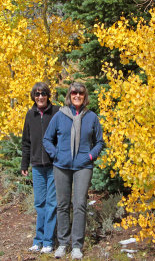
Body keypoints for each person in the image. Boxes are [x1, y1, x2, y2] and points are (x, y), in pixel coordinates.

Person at [43, 82, 104, 259]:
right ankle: (62, 243)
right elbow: (47, 139)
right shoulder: (60, 116)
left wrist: (90, 156)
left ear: (85, 96)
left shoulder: (91, 117)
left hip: (83, 166)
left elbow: (99, 142)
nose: (77, 95)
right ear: (69, 95)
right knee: (62, 205)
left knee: (79, 205)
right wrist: (56, 155)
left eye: (81, 93)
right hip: (61, 166)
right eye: (74, 93)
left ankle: (77, 245)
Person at [21, 82, 60, 254]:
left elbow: (63, 136)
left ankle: (48, 241)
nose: (40, 97)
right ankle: (38, 239)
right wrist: (24, 164)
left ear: (48, 95)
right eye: (37, 94)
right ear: (33, 97)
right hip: (37, 166)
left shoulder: (57, 112)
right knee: (39, 203)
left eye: (43, 93)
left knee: (51, 203)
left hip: (53, 166)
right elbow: (26, 142)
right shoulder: (30, 115)